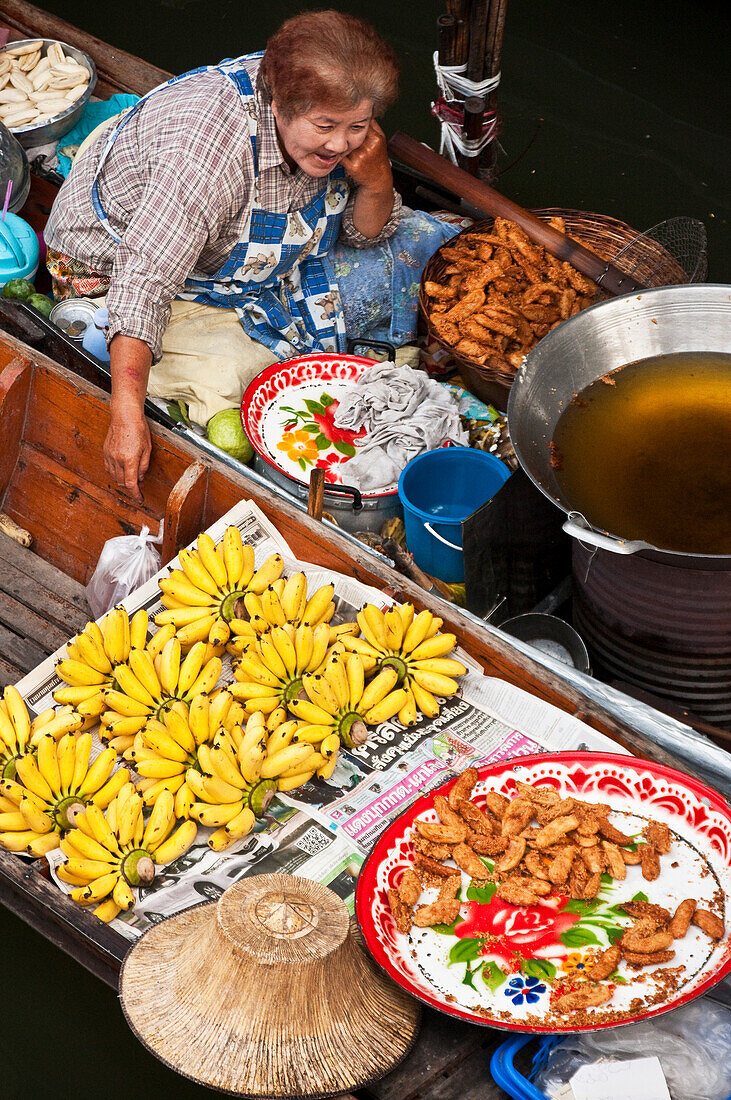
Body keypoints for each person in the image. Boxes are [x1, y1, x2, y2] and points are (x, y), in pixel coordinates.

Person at [46, 11, 457, 500]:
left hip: (251, 255)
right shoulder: (207, 155)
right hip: (123, 268)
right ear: (279, 103)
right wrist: (125, 416)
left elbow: (366, 235)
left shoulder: (332, 124)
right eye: (325, 126)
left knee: (425, 242)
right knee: (240, 386)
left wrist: (376, 179)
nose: (340, 145)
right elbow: (145, 282)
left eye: (359, 126)